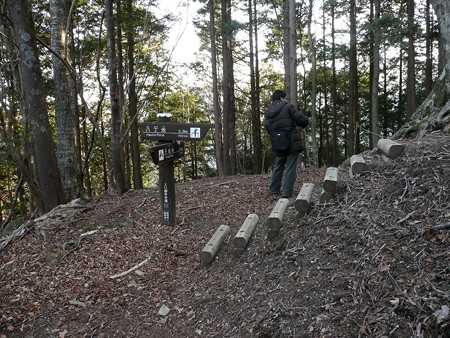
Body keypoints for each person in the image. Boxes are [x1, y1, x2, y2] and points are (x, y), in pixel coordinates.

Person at [265, 89, 309, 198]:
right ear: (281, 98)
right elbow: (302, 121)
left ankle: (273, 190)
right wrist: (306, 116)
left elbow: (268, 128)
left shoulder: (269, 112)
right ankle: (287, 193)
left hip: (278, 143)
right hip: (291, 141)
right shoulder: (288, 106)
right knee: (290, 167)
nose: (286, 100)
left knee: (278, 166)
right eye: (285, 98)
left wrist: (278, 135)